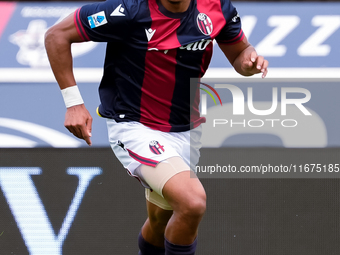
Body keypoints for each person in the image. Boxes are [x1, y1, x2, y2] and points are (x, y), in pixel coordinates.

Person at [45, 0, 268, 254]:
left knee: (161, 220)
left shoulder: (217, 7)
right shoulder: (128, 10)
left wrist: (248, 61)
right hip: (135, 126)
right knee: (192, 202)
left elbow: (240, 53)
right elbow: (57, 35)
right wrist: (74, 103)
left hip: (187, 129)